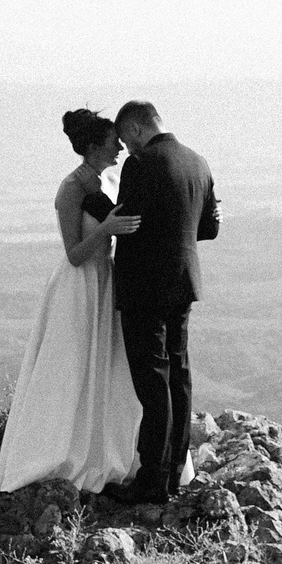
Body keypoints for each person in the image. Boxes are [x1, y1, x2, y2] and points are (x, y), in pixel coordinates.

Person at [0, 109, 146, 493]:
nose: (120, 148)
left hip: (105, 280)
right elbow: (74, 253)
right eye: (113, 142)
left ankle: (102, 447)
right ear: (94, 146)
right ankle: (58, 450)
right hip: (79, 286)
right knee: (70, 369)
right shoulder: (71, 189)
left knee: (107, 366)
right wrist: (108, 230)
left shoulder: (106, 180)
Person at [101, 99, 218, 505]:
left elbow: (128, 225)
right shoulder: (198, 162)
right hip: (183, 282)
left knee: (153, 381)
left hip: (145, 286)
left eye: (124, 140)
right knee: (179, 375)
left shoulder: (141, 165)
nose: (125, 151)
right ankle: (172, 475)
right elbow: (209, 228)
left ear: (134, 129)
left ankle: (151, 478)